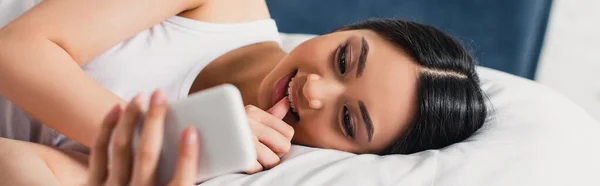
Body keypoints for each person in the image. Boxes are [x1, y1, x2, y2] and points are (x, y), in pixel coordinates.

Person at [0, 0, 488, 184]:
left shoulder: (233, 163)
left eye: (347, 120)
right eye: (343, 58)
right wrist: (162, 134)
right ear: (348, 27)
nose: (314, 89)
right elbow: (15, 50)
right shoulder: (220, 3)